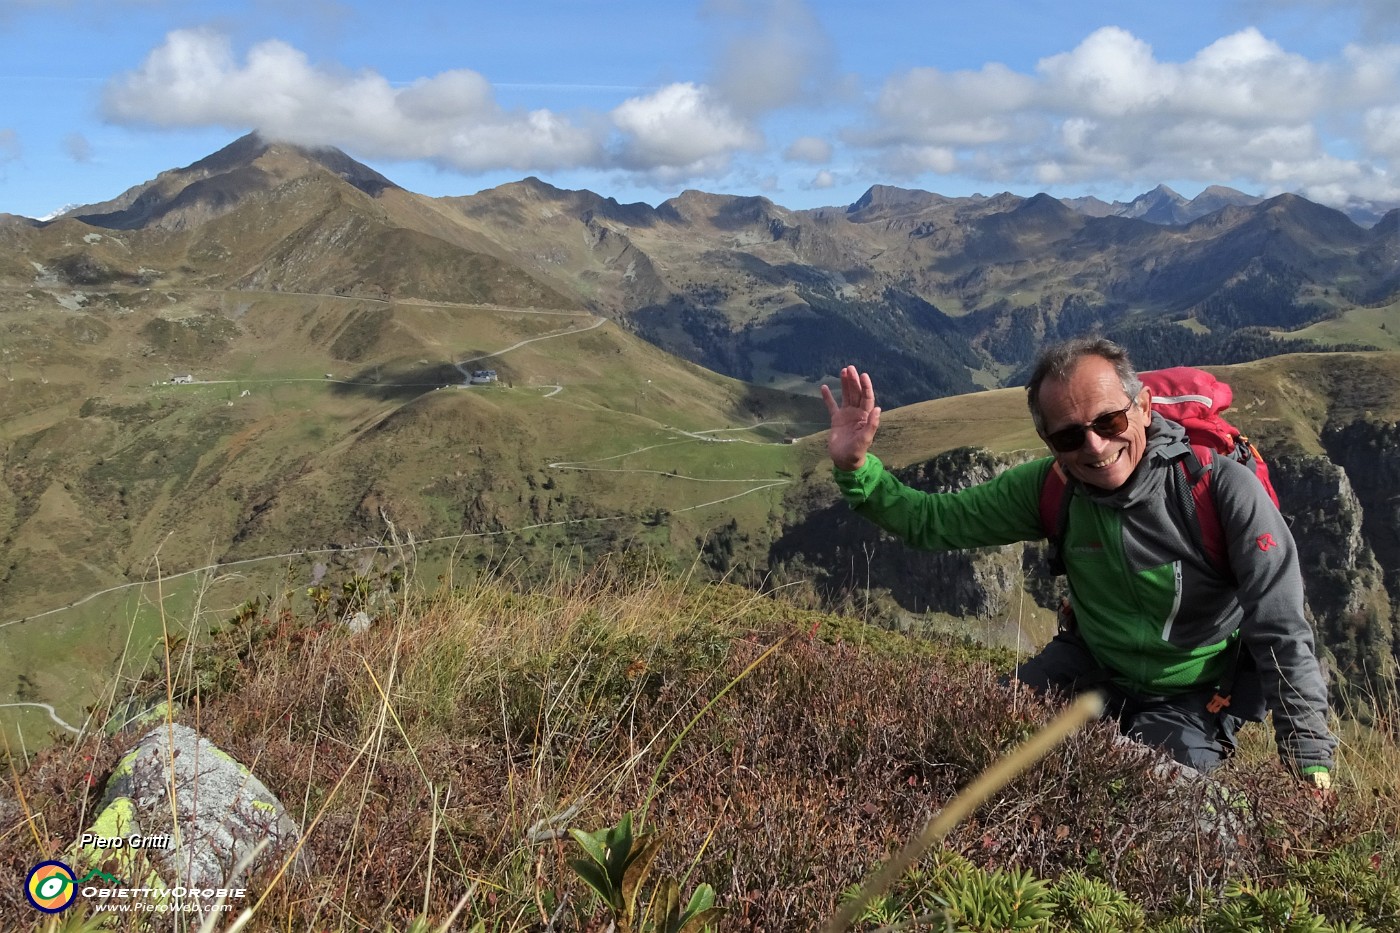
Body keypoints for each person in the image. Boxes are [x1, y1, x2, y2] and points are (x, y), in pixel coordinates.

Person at [822, 337, 1336, 786]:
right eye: (1069, 436)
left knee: (1161, 809)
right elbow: (930, 521)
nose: (1094, 445)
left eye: (1109, 420)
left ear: (1144, 407)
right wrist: (856, 468)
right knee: (975, 745)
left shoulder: (1218, 489)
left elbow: (1281, 629)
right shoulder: (1048, 489)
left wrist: (1309, 761)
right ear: (1049, 442)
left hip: (1196, 692)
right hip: (1087, 663)